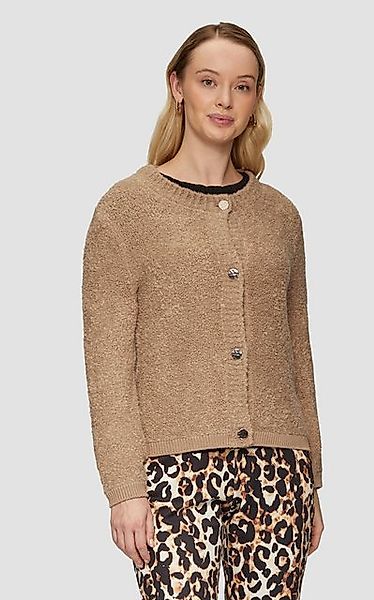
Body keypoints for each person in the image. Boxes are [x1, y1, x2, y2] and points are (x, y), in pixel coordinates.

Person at [82, 21, 325, 600]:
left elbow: (298, 352)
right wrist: (124, 487)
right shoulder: (126, 211)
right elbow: (107, 364)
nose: (225, 100)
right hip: (171, 472)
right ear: (177, 86)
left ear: (257, 98)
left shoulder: (280, 216)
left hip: (278, 468)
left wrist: (312, 479)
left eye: (243, 86)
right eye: (209, 81)